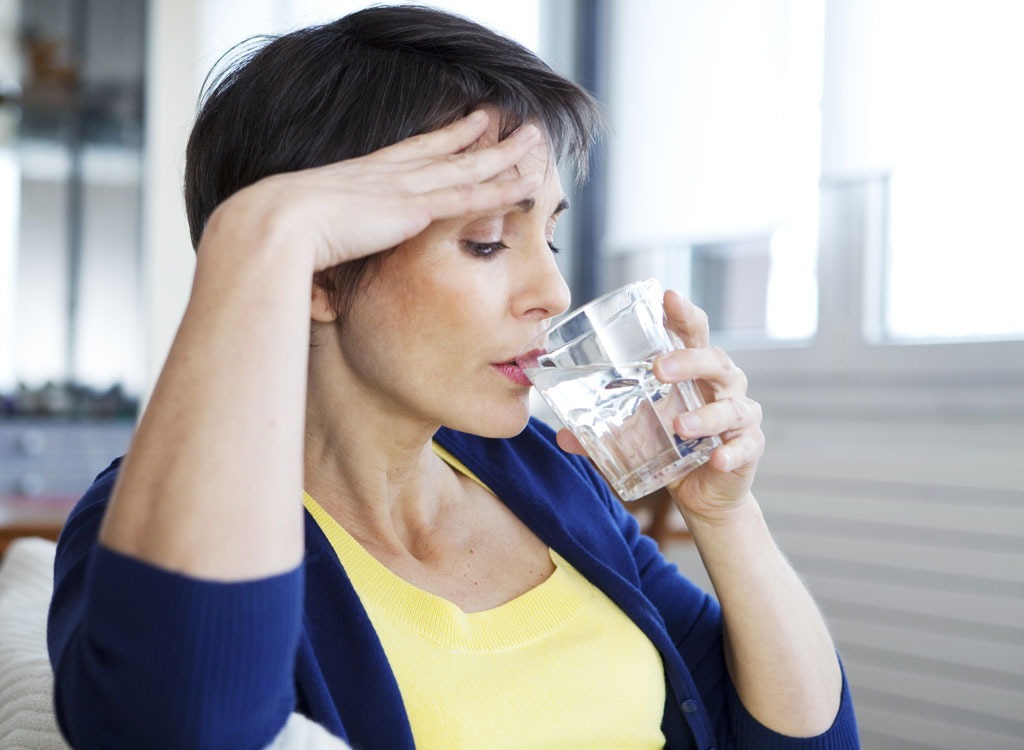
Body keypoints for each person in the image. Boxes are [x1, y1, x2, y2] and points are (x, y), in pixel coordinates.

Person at [47, 6, 859, 749]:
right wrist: (255, 235)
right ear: (319, 276)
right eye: (484, 242)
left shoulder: (550, 476)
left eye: (548, 236)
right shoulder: (152, 519)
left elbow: (803, 740)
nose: (554, 292)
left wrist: (726, 514)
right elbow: (175, 728)